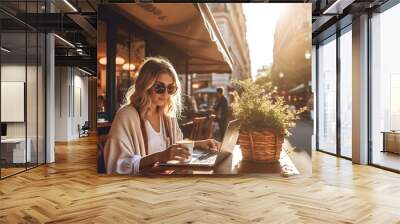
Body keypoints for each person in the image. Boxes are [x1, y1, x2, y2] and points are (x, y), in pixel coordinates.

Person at [103, 57, 220, 175]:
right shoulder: (126, 115)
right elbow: (117, 165)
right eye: (159, 87)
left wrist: (199, 144)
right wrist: (160, 157)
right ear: (146, 86)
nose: (165, 94)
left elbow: (175, 146)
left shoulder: (167, 116)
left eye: (170, 88)